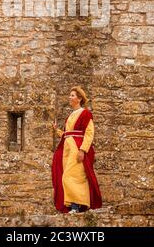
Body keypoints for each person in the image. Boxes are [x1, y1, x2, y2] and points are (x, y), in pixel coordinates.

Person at [51, 85, 102, 214]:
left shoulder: (85, 113)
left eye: (72, 95)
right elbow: (67, 134)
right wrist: (57, 130)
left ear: (79, 99)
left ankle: (75, 206)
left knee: (72, 176)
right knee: (68, 176)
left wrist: (83, 150)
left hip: (76, 149)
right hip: (67, 150)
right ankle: (73, 205)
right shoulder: (70, 116)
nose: (70, 97)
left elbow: (89, 133)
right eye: (70, 95)